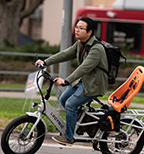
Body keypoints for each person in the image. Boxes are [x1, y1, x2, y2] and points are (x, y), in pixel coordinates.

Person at [35, 17, 108, 146]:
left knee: (70, 104)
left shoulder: (97, 49)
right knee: (63, 100)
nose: (77, 30)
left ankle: (69, 137)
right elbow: (65, 54)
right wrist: (45, 62)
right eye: (76, 27)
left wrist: (67, 81)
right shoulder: (80, 44)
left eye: (81, 28)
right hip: (83, 81)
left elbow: (84, 68)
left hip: (93, 85)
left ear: (89, 32)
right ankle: (82, 122)